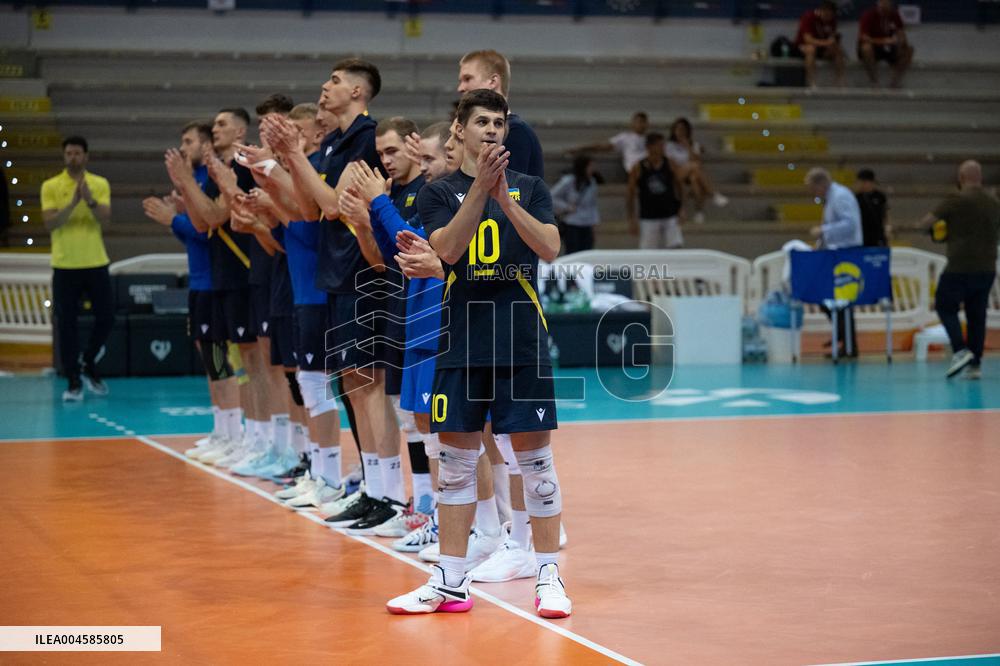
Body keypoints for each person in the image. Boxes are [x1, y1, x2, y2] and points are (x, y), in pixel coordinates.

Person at [386, 89, 570, 619]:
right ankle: (449, 580)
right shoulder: (438, 192)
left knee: (535, 465)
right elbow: (446, 250)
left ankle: (548, 575)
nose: (492, 129)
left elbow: (550, 247)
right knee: (458, 466)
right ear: (460, 130)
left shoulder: (531, 188)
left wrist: (505, 198)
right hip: (462, 343)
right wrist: (480, 192)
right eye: (482, 121)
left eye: (500, 122)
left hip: (521, 342)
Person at [262, 59, 402, 533]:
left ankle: (389, 494)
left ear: (360, 92)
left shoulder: (366, 137)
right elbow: (308, 209)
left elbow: (329, 204)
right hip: (338, 275)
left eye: (336, 81)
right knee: (355, 388)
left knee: (370, 387)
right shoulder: (338, 143)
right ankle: (373, 487)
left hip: (365, 273)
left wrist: (290, 154)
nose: (325, 87)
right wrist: (284, 161)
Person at [142, 120, 243, 455]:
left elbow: (205, 231)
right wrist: (177, 217)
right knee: (209, 356)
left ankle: (233, 434)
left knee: (220, 359)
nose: (184, 148)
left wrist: (172, 218)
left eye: (189, 142)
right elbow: (194, 232)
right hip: (200, 279)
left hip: (215, 280)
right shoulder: (195, 181)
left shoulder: (206, 179)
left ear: (205, 147)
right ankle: (222, 430)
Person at [41, 136, 113, 402]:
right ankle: (73, 379)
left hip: (95, 261)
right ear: (64, 156)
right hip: (64, 264)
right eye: (68, 153)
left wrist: (90, 200)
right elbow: (49, 224)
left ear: (86, 156)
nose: (73, 157)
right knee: (66, 324)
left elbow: (105, 219)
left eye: (77, 153)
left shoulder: (99, 183)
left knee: (107, 317)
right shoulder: (51, 186)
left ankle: (88, 360)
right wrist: (72, 203)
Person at [920, 160, 1000, 380]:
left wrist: (942, 232)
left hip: (959, 266)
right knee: (977, 314)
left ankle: (960, 350)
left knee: (945, 306)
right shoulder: (994, 202)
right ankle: (975, 365)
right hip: (987, 267)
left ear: (961, 178)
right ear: (980, 178)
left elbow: (926, 223)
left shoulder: (955, 200)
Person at [457, 49, 544, 179]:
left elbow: (512, 192)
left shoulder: (516, 131)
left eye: (467, 78)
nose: (460, 88)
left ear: (492, 82)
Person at [807, 167, 863, 357]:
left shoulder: (840, 196)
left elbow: (850, 224)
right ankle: (844, 338)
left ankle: (847, 342)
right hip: (836, 253)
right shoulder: (832, 198)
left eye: (814, 189)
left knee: (841, 300)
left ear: (821, 184)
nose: (814, 194)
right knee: (833, 300)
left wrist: (824, 231)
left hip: (846, 253)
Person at [665, 117, 728, 224]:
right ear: (673, 131)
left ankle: (699, 213)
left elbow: (698, 162)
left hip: (690, 174)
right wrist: (687, 167)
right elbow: (671, 165)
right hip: (675, 173)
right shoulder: (669, 146)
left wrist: (688, 147)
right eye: (678, 129)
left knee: (695, 179)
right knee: (694, 166)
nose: (680, 132)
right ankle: (712, 194)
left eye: (683, 130)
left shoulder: (693, 145)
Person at [628, 132, 684, 249]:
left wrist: (681, 208)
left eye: (663, 145)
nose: (663, 148)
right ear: (649, 147)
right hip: (649, 216)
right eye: (659, 145)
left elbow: (680, 186)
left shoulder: (670, 163)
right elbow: (630, 194)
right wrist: (632, 218)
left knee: (676, 248)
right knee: (648, 253)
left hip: (670, 214)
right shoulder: (638, 167)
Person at [551, 153, 600, 254]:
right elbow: (552, 196)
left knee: (587, 253)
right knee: (573, 252)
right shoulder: (569, 181)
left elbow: (593, 205)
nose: (593, 169)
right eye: (590, 166)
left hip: (587, 224)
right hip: (572, 223)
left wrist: (594, 224)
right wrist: (567, 207)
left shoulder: (592, 182)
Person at [858, 0, 914, 89]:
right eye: (882, 4)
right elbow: (864, 37)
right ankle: (874, 81)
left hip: (889, 47)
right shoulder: (868, 15)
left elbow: (901, 32)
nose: (885, 7)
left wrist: (902, 41)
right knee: (866, 48)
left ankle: (894, 81)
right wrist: (884, 41)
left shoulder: (894, 15)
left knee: (909, 50)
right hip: (874, 46)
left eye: (887, 4)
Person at [572, 110, 649, 175]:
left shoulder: (651, 139)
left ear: (647, 124)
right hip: (635, 172)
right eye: (639, 122)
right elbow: (601, 146)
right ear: (632, 124)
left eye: (643, 122)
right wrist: (580, 148)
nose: (641, 125)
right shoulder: (625, 138)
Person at [793, 0, 846, 88]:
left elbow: (831, 37)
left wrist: (833, 43)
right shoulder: (808, 17)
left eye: (830, 16)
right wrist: (826, 43)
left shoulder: (832, 21)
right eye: (826, 15)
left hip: (821, 47)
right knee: (811, 49)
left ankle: (840, 81)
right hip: (802, 46)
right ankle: (811, 81)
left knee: (837, 50)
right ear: (821, 11)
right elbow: (808, 39)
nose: (828, 18)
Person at [854, 168, 889, 247]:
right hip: (863, 234)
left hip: (878, 233)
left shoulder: (880, 196)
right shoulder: (856, 197)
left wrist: (887, 227)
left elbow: (885, 213)